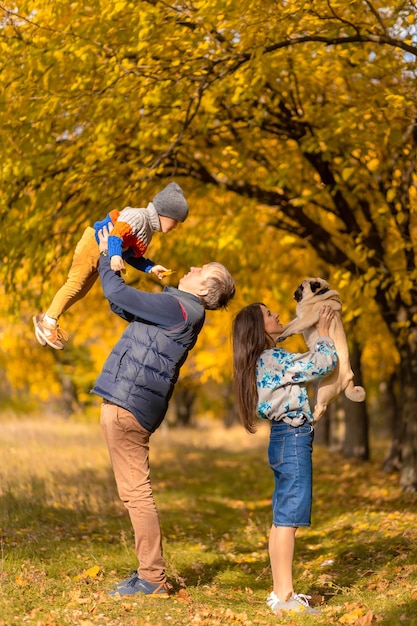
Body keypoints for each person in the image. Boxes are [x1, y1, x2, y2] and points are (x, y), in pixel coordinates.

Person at [92, 224, 235, 597]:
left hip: (128, 404)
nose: (191, 268)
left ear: (205, 288)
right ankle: (148, 574)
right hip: (128, 401)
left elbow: (114, 290)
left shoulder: (182, 308)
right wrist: (116, 265)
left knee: (136, 493)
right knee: (134, 492)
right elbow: (120, 301)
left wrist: (110, 252)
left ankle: (152, 578)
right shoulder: (179, 309)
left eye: (201, 269)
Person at [232, 302, 338, 615]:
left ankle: (281, 594)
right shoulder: (272, 358)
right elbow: (322, 364)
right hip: (292, 438)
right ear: (257, 328)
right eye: (268, 314)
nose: (277, 315)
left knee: (282, 519)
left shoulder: (262, 359)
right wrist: (322, 335)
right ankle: (286, 597)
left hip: (283, 438)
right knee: (288, 519)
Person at [33, 182, 189, 350]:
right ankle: (48, 323)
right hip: (93, 244)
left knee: (82, 291)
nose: (175, 227)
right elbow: (115, 236)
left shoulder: (148, 230)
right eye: (176, 221)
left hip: (102, 252)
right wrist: (114, 255)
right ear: (165, 213)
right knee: (75, 285)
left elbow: (132, 256)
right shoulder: (139, 217)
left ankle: (46, 316)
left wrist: (150, 267)